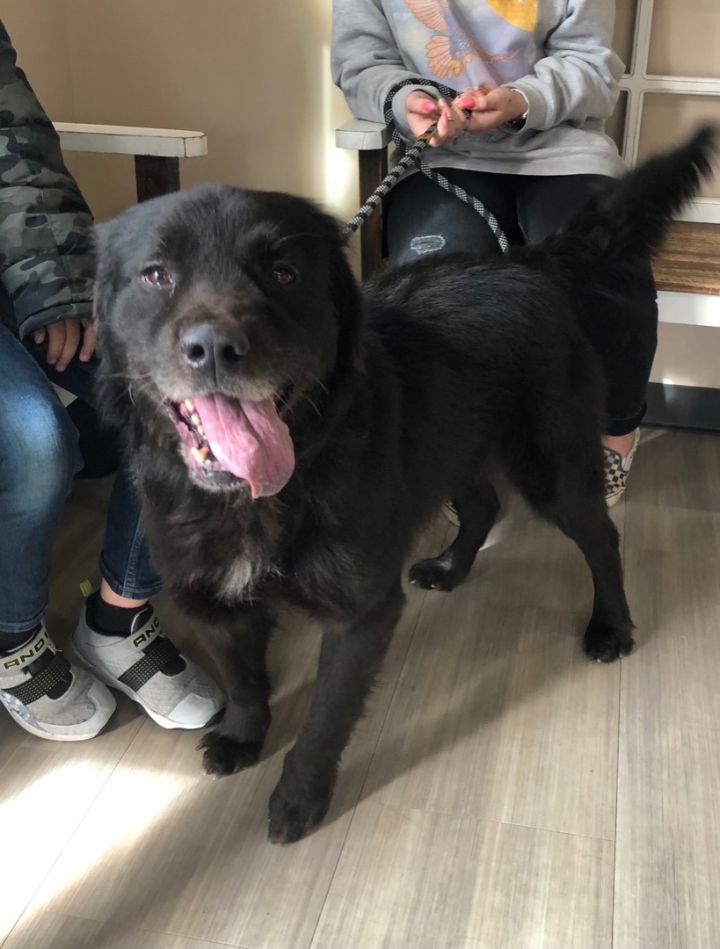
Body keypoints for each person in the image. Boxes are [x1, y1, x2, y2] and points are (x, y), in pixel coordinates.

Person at [332, 0, 657, 504]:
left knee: (609, 274)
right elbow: (361, 64)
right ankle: (454, 451)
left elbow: (592, 68)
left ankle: (612, 435)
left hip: (561, 148)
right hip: (441, 154)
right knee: (433, 288)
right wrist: (406, 100)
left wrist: (520, 99)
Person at [0, 21, 223, 741]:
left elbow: (16, 145)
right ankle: (13, 642)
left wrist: (55, 283)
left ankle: (118, 617)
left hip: (14, 266)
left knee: (172, 385)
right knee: (35, 442)